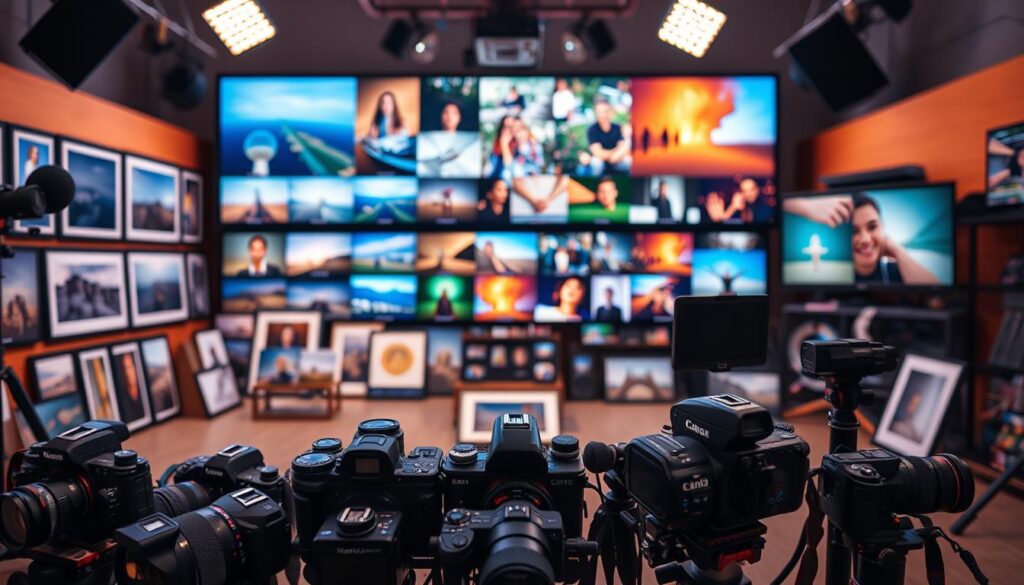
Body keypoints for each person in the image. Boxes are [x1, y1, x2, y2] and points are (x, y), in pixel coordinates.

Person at [580, 101, 630, 176]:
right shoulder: (592, 130)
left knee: (629, 161)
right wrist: (614, 153)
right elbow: (598, 153)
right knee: (596, 162)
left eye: (604, 111)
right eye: (599, 112)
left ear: (610, 113)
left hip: (616, 160)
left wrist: (617, 154)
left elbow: (623, 147)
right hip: (602, 160)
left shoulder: (618, 128)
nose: (602, 115)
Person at [704, 178, 773, 224]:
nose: (748, 194)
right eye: (745, 191)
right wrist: (732, 208)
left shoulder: (766, 210)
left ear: (757, 189)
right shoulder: (739, 209)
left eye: (751, 190)